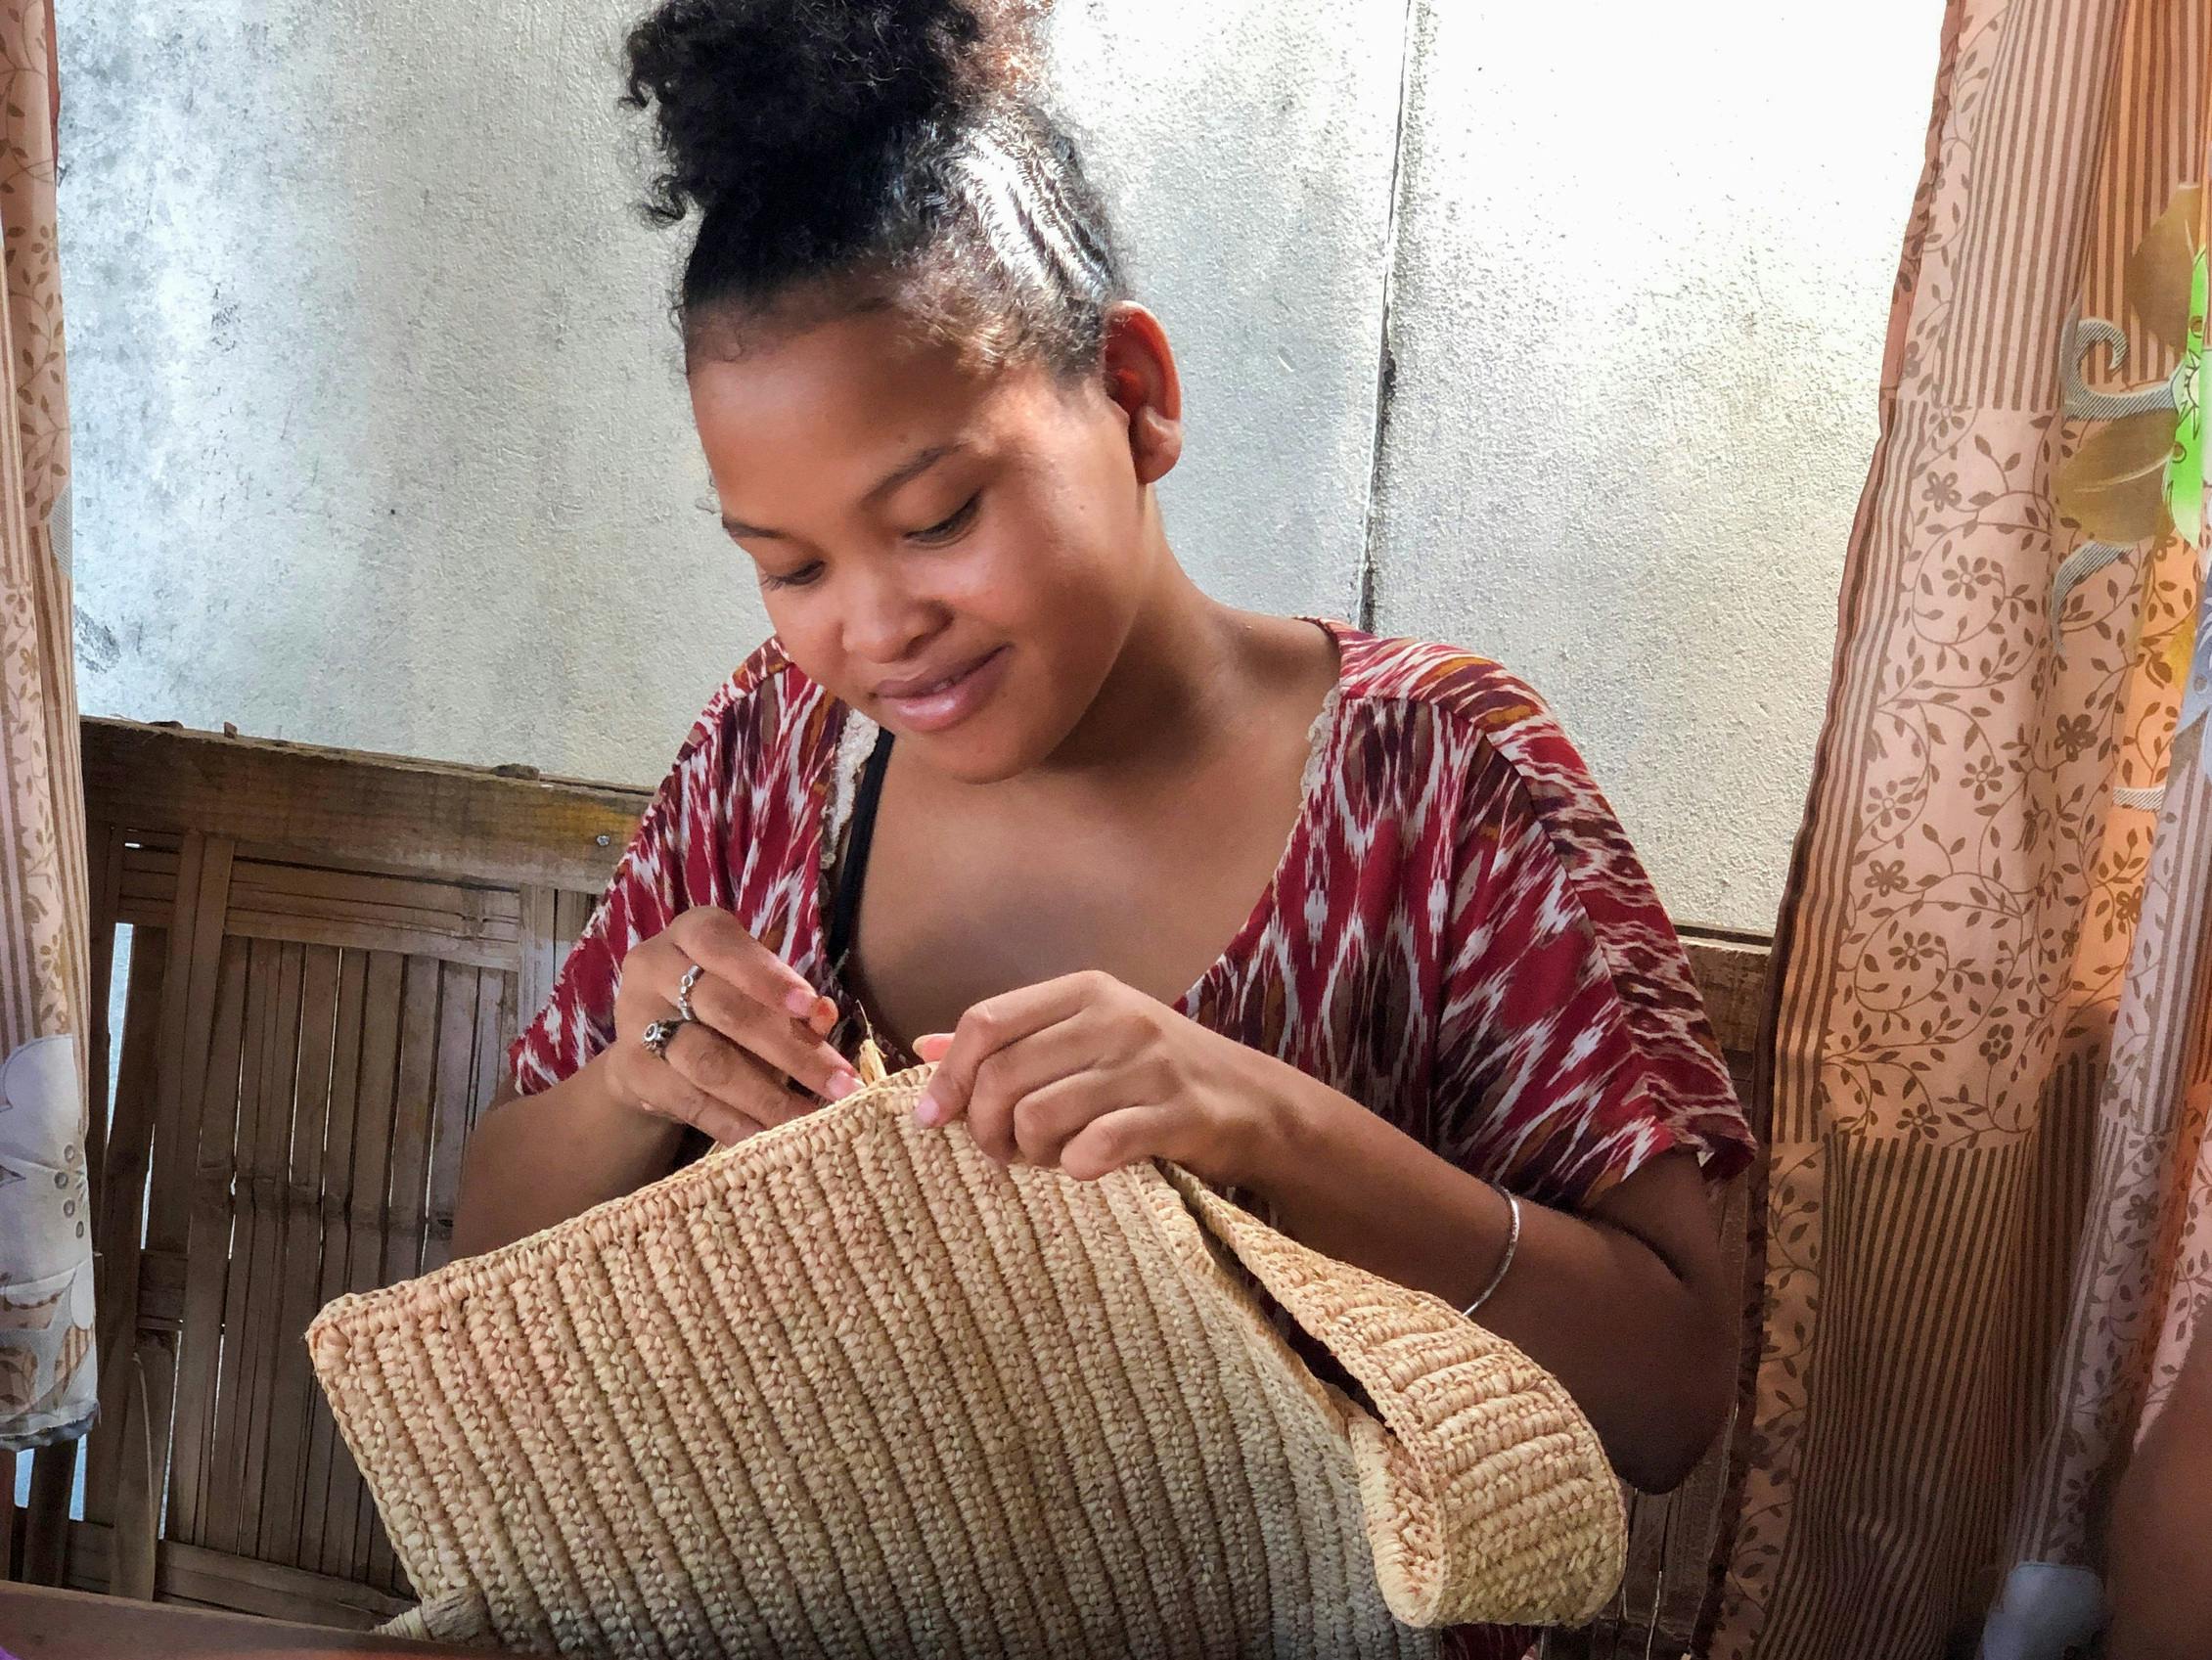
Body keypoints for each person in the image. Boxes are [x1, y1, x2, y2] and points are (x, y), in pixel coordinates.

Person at [451, 3, 1757, 1651]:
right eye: (790, 565)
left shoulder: (1439, 779)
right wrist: (636, 1085)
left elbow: (1669, 1396)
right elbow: (482, 1261)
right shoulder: (771, 759)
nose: (875, 626)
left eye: (939, 516)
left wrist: (1274, 1124)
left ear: (1133, 395)